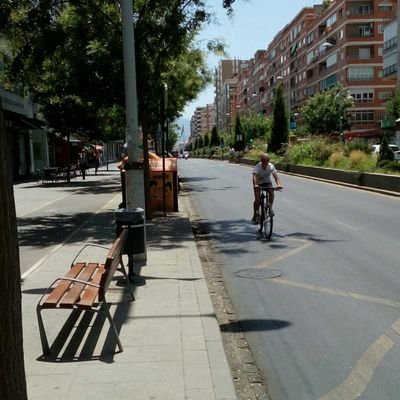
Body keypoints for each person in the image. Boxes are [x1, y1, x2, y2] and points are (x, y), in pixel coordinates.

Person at [252, 153, 282, 224]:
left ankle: (269, 208)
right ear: (261, 161)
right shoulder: (258, 167)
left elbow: (276, 176)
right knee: (257, 200)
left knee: (271, 192)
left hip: (267, 182)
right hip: (258, 183)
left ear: (268, 161)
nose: (265, 164)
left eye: (266, 162)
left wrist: (279, 184)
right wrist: (255, 185)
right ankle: (255, 214)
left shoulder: (271, 166)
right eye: (263, 162)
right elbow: (254, 177)